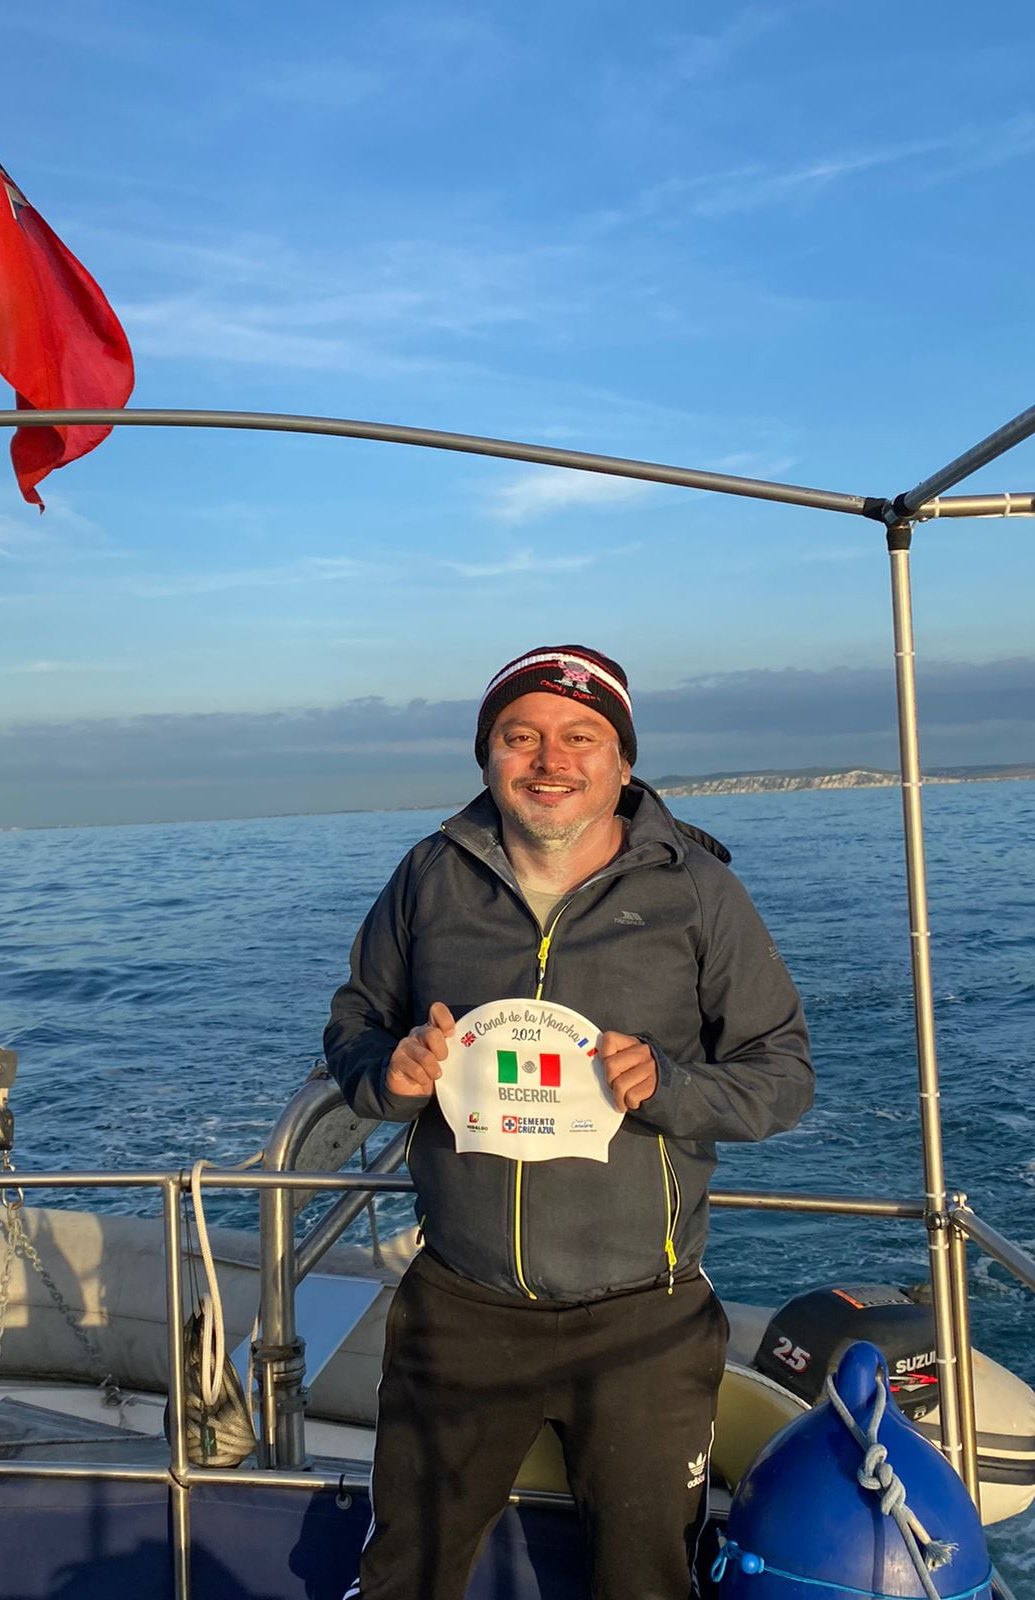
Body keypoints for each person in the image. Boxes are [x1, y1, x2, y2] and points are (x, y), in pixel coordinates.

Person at [324, 644, 813, 1600]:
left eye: (580, 738)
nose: (550, 761)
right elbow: (355, 1024)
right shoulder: (429, 877)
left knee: (645, 1583)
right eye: (521, 736)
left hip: (643, 1317)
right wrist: (391, 1072)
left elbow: (783, 1075)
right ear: (487, 757)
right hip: (459, 1307)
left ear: (622, 762)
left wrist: (668, 1084)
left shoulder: (697, 891)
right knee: (403, 1576)